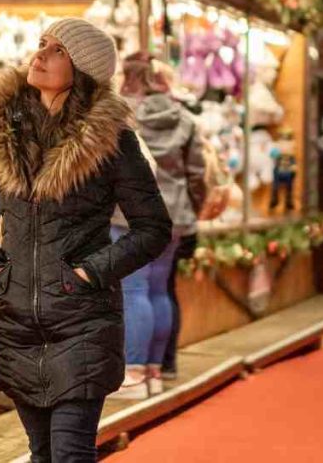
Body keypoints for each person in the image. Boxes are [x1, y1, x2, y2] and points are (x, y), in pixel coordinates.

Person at [0, 18, 172, 462]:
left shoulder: (111, 141)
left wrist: (89, 272)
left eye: (57, 50)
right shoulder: (3, 135)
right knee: (41, 453)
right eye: (41, 44)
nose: (40, 55)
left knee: (70, 453)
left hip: (82, 321)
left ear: (83, 69)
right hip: (16, 322)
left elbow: (153, 228)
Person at [110, 53, 207, 398]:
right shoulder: (184, 117)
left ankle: (133, 375)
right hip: (175, 215)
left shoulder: (119, 114)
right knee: (159, 290)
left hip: (130, 216)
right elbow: (197, 174)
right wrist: (191, 210)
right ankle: (154, 371)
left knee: (133, 291)